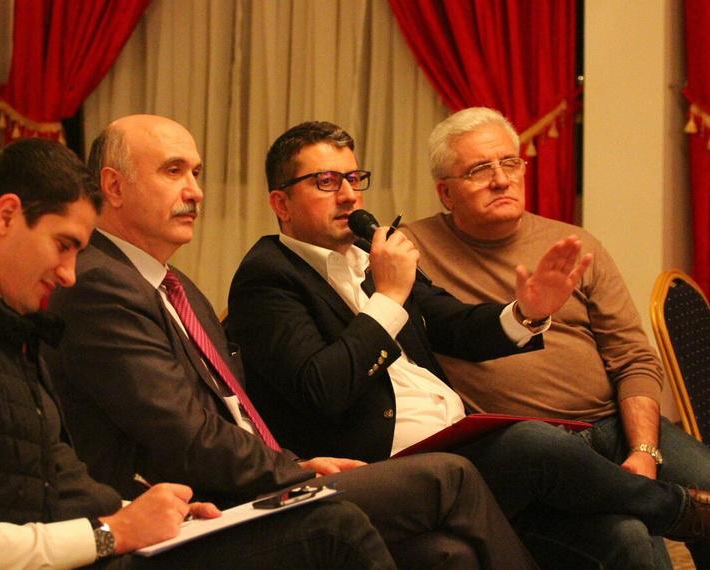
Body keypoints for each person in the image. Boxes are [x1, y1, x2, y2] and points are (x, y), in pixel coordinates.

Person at [0, 137, 398, 570]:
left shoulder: (1, 326)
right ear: (6, 216)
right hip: (84, 554)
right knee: (334, 530)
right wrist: (114, 531)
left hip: (91, 549)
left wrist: (145, 512)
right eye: (64, 245)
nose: (69, 273)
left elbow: (51, 481)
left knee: (338, 523)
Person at [42, 113, 543, 570]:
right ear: (114, 186)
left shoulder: (176, 286)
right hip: (184, 509)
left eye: (196, 173)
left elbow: (227, 411)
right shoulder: (100, 284)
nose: (195, 191)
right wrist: (292, 471)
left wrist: (528, 312)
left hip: (256, 477)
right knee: (453, 476)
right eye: (174, 172)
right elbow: (186, 433)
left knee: (446, 554)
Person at [225, 119, 710, 569]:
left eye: (354, 179)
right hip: (391, 469)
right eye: (327, 182)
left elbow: (454, 324)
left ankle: (680, 512)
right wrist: (389, 297)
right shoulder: (267, 278)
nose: (350, 195)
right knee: (535, 441)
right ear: (281, 203)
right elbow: (321, 387)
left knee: (623, 535)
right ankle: (680, 510)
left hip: (462, 444)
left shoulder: (369, 255)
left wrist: (526, 312)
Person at [400, 106, 710, 568]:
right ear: (446, 192)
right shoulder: (410, 253)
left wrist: (644, 450)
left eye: (510, 163)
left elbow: (633, 358)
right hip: (527, 446)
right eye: (480, 170)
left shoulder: (573, 245)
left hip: (613, 425)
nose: (501, 180)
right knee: (630, 534)